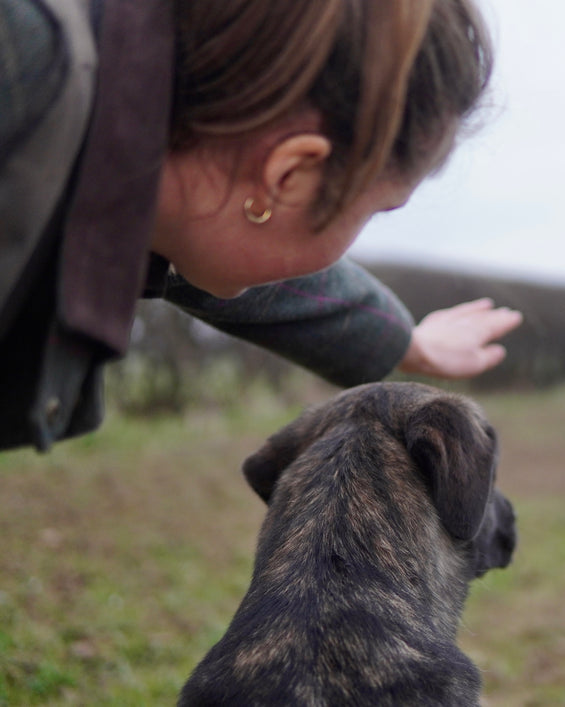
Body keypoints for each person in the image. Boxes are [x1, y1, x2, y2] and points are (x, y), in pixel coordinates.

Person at [0, 0, 523, 452]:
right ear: (289, 174)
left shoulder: (115, 106)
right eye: (373, 211)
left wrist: (402, 340)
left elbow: (220, 233)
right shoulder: (19, 65)